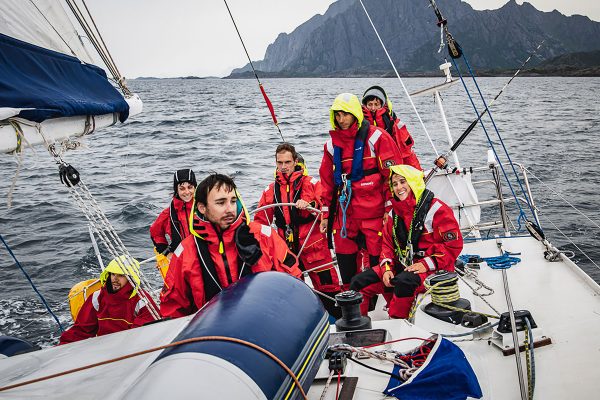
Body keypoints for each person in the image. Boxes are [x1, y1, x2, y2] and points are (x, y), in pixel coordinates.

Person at [160, 173, 302, 318]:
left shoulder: (264, 236)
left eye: (233, 201)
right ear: (202, 208)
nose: (230, 209)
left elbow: (293, 282)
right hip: (215, 332)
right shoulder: (185, 253)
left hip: (266, 320)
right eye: (221, 203)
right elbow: (173, 309)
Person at [350, 165, 463, 318]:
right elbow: (387, 245)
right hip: (405, 264)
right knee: (359, 282)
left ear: (413, 182)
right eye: (395, 184)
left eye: (403, 182)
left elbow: (453, 246)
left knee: (404, 282)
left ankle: (398, 322)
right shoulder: (393, 214)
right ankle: (360, 327)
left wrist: (425, 264)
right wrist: (387, 268)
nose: (399, 187)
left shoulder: (437, 209)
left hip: (434, 268)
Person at [319, 93, 403, 290]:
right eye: (337, 115)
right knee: (347, 270)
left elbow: (394, 177)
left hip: (374, 217)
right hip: (345, 219)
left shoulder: (377, 138)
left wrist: (389, 211)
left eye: (345, 115)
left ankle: (382, 302)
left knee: (378, 268)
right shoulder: (331, 146)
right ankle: (354, 307)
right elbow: (327, 184)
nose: (341, 120)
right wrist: (325, 215)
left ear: (355, 114)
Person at [255, 143, 341, 317]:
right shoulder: (270, 191)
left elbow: (327, 207)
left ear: (295, 162)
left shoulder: (311, 184)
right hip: (286, 251)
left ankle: (338, 319)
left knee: (329, 291)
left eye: (287, 162)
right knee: (290, 292)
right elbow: (260, 222)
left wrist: (310, 206)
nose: (284, 166)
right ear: (276, 163)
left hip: (314, 248)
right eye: (280, 163)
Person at [59, 256, 157, 344]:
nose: (115, 279)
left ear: (131, 278)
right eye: (113, 274)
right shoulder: (97, 298)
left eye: (121, 275)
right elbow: (82, 329)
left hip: (130, 349)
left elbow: (144, 334)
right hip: (103, 348)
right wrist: (61, 347)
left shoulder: (142, 301)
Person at [362, 86, 422, 170]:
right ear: (365, 105)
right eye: (370, 104)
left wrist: (417, 172)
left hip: (393, 165)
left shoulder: (393, 123)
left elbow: (406, 153)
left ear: (382, 105)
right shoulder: (359, 123)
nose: (373, 108)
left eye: (376, 104)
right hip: (371, 170)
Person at [150, 168, 197, 260]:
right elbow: (155, 233)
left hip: (204, 257)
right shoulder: (168, 214)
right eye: (182, 188)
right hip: (182, 260)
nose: (187, 192)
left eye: (190, 187)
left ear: (195, 187)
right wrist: (166, 252)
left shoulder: (204, 208)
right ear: (176, 190)